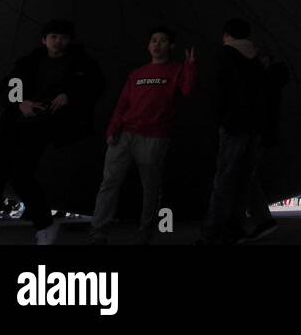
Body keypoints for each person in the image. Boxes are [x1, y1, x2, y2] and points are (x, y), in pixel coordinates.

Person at [0, 20, 104, 246]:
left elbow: (95, 86)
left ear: (69, 41)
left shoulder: (80, 65)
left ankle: (45, 223)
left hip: (42, 126)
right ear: (44, 40)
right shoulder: (29, 64)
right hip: (14, 124)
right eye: (53, 36)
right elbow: (1, 92)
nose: (57, 41)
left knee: (20, 173)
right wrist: (21, 103)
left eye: (62, 37)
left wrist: (68, 95)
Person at [89, 28, 197, 245]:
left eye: (163, 41)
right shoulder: (137, 74)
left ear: (171, 46)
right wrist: (112, 130)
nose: (157, 44)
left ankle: (145, 230)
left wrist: (191, 67)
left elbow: (188, 91)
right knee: (109, 182)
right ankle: (98, 231)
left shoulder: (176, 70)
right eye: (153, 40)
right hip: (125, 135)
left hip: (155, 136)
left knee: (150, 185)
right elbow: (122, 104)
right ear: (148, 46)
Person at [200, 19, 280, 245]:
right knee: (243, 182)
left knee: (223, 182)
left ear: (227, 35)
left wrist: (218, 122)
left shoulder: (224, 56)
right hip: (254, 130)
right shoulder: (256, 61)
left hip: (233, 128)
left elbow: (218, 92)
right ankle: (235, 229)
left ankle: (211, 233)